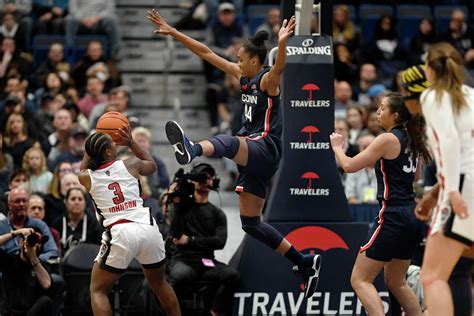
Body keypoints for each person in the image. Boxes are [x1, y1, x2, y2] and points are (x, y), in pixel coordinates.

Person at [147, 9, 321, 298]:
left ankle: (193, 149)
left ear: (255, 60)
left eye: (241, 58)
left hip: (265, 148)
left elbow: (278, 68)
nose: (236, 62)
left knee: (228, 141)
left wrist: (282, 44)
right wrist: (174, 32)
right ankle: (303, 261)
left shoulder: (266, 80)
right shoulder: (242, 74)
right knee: (251, 224)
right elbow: (205, 52)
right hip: (253, 157)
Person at [330, 92, 431, 315]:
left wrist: (337, 146)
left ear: (395, 115)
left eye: (382, 108)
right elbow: (415, 177)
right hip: (411, 214)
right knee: (397, 281)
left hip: (392, 214)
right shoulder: (413, 139)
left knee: (360, 280)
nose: (377, 112)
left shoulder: (387, 139)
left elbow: (348, 166)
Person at [77, 127, 180, 316]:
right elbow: (152, 165)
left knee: (98, 290)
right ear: (108, 152)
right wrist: (132, 142)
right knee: (159, 283)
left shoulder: (86, 177)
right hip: (147, 228)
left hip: (120, 231)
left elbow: (82, 168)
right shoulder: (130, 164)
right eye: (111, 142)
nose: (115, 143)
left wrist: (90, 147)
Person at [416, 42, 474, 316]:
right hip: (466, 183)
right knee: (455, 269)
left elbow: (449, 141)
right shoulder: (470, 95)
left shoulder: (433, 96)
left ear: (430, 68)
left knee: (433, 276)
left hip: (462, 187)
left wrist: (451, 190)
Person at [167, 163, 240, 315]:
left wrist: (191, 240)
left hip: (206, 261)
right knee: (181, 276)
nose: (206, 180)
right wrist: (177, 201)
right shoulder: (181, 206)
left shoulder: (217, 213)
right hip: (183, 260)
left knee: (232, 275)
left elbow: (220, 242)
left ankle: (213, 311)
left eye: (209, 177)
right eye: (202, 176)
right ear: (193, 180)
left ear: (214, 181)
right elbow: (175, 234)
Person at [0, 226, 53, 315]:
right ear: (21, 242)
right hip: (10, 313)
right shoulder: (10, 260)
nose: (35, 245)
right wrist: (15, 233)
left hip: (31, 312)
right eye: (32, 240)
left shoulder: (42, 266)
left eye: (38, 242)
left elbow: (46, 284)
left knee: (46, 301)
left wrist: (33, 258)